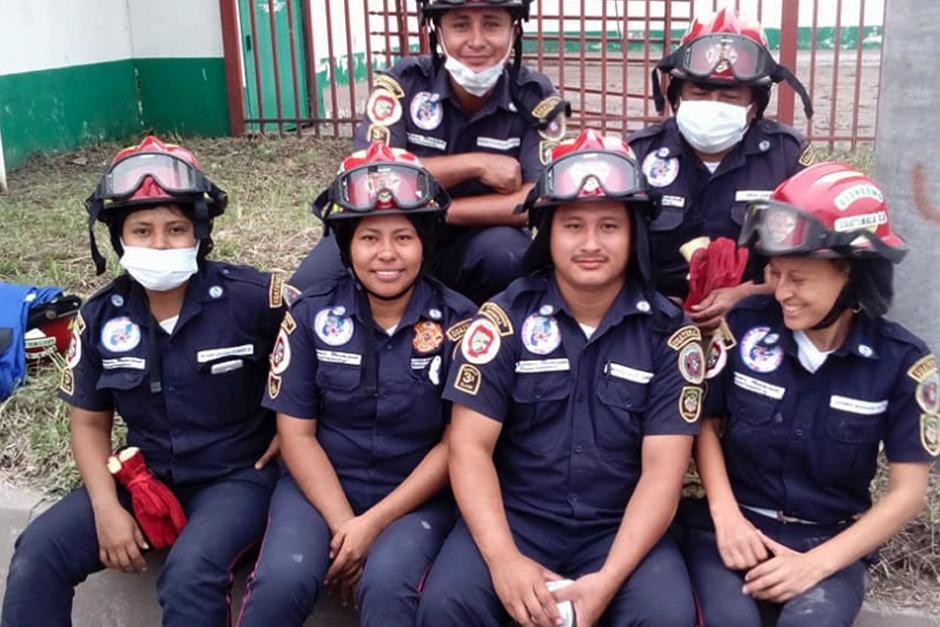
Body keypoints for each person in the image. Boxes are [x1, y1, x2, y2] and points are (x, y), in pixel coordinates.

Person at [417, 130, 703, 627]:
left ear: (634, 232)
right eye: (572, 225)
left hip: (618, 530)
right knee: (447, 606)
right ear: (546, 231)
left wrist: (610, 577)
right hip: (516, 520)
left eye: (609, 226)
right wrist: (504, 561)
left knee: (666, 617)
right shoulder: (502, 320)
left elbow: (663, 473)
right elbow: (469, 448)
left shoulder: (671, 336)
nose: (591, 244)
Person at [1, 136, 283, 627]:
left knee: (189, 575)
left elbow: (322, 359)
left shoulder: (254, 298)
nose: (159, 243)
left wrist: (293, 429)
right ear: (118, 238)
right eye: (142, 229)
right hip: (144, 477)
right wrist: (107, 507)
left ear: (200, 232)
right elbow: (89, 424)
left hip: (237, 479)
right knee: (38, 551)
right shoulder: (101, 316)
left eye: (176, 228)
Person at [681, 163, 937, 626]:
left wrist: (815, 565)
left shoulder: (903, 361)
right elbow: (705, 423)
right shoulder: (741, 328)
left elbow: (907, 493)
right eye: (775, 273)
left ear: (852, 273)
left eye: (799, 278)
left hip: (828, 544)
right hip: (731, 531)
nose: (782, 293)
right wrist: (726, 515)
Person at [235, 143, 477, 627]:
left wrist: (373, 525)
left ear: (426, 243)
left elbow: (457, 445)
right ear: (345, 246)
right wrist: (346, 525)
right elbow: (296, 435)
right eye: (369, 238)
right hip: (318, 490)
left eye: (403, 237)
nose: (387, 254)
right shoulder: (308, 316)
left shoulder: (461, 324)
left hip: (415, 498)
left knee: (388, 587)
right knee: (283, 580)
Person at [291, 0, 568, 304]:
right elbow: (372, 176)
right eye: (460, 25)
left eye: (492, 24)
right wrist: (475, 164)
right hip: (385, 228)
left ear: (514, 31)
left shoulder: (535, 95)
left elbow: (539, 200)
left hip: (476, 241)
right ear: (438, 31)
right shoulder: (404, 83)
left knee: (509, 255)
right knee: (306, 293)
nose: (476, 41)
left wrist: (441, 213)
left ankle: (472, 336)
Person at [629, 7, 815, 328]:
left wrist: (741, 295)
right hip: (653, 315)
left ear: (755, 104)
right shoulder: (639, 154)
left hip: (759, 314)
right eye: (699, 92)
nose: (713, 105)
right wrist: (654, 299)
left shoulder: (787, 157)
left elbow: (811, 259)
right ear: (676, 96)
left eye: (730, 96)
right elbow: (612, 248)